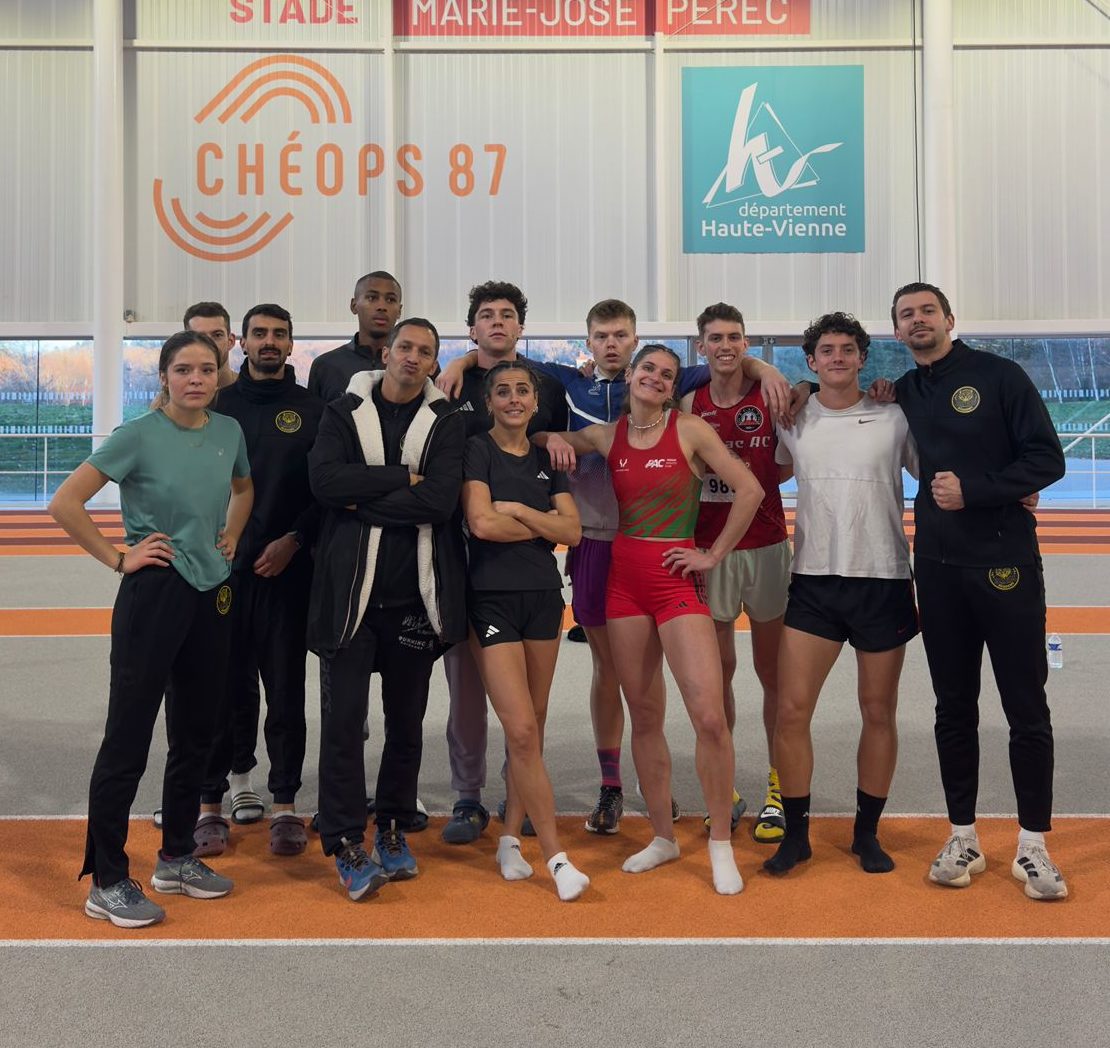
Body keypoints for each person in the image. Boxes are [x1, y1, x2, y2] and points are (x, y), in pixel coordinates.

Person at [441, 298, 791, 835]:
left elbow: (725, 359)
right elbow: (506, 366)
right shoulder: (563, 380)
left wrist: (768, 368)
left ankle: (670, 791)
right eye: (601, 336)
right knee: (610, 673)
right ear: (588, 342)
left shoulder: (668, 379)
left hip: (659, 548)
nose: (611, 344)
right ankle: (612, 786)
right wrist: (468, 367)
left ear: (635, 342)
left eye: (621, 336)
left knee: (676, 681)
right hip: (596, 545)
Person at [537, 344, 764, 895]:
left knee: (708, 716)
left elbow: (751, 488)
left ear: (672, 387)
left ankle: (719, 844)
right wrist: (554, 440)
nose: (657, 379)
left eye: (667, 374)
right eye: (648, 370)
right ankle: (663, 836)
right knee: (643, 714)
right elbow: (545, 437)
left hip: (675, 580)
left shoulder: (689, 431)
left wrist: (712, 555)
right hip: (624, 582)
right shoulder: (608, 435)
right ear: (632, 375)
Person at [49, 330, 253, 928]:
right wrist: (118, 558)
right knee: (128, 738)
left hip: (212, 593)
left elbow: (244, 488)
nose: (196, 379)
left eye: (207, 369)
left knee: (197, 734)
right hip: (155, 592)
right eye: (184, 369)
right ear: (163, 376)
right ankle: (107, 879)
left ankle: (177, 857)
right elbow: (65, 503)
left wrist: (232, 534)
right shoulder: (136, 434)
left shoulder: (229, 431)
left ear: (219, 376)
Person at [890, 282, 1068, 900]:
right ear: (897, 331)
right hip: (938, 568)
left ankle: (1033, 845)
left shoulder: (999, 376)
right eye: (907, 315)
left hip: (1005, 564)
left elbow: (1047, 460)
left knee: (1026, 706)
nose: (918, 320)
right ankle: (962, 835)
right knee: (952, 707)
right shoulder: (904, 390)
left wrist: (979, 490)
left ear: (948, 318)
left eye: (927, 311)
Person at [307, 318, 467, 901]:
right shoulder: (342, 411)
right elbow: (325, 483)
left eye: (425, 351)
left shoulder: (448, 420)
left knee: (405, 725)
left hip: (414, 601)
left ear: (433, 363)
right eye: (405, 347)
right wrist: (402, 478)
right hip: (351, 596)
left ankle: (394, 826)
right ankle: (346, 841)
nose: (413, 357)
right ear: (387, 352)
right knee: (343, 724)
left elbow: (441, 501)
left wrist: (363, 502)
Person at [763, 313, 918, 877]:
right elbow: (773, 472)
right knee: (790, 711)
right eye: (826, 350)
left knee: (877, 711)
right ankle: (797, 836)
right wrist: (798, 392)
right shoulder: (792, 419)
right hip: (814, 581)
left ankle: (866, 834)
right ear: (810, 361)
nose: (836, 357)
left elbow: (940, 466)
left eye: (847, 349)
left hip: (883, 579)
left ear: (861, 358)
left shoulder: (895, 416)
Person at [436, 281, 567, 846]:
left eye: (507, 315)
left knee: (529, 709)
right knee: (467, 689)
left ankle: (522, 796)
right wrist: (460, 363)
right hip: (464, 554)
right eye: (486, 315)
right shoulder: (450, 383)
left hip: (528, 567)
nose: (497, 322)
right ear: (472, 328)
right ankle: (467, 794)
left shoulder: (548, 385)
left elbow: (556, 450)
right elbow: (480, 517)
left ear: (520, 326)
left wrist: (529, 518)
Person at [194, 304, 324, 858]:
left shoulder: (314, 411)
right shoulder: (215, 406)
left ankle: (286, 805)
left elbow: (326, 492)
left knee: (286, 693)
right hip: (221, 574)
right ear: (240, 343)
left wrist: (294, 539)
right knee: (220, 692)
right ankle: (209, 804)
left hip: (287, 575)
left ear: (291, 345)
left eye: (279, 334)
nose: (269, 341)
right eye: (259, 333)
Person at [462, 360, 589, 901]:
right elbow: (481, 523)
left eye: (522, 391)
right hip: (490, 598)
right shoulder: (477, 450)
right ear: (489, 402)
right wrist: (541, 524)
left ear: (535, 403)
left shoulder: (546, 459)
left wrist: (517, 510)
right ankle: (557, 858)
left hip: (543, 599)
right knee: (519, 730)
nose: (514, 399)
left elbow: (574, 531)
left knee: (531, 727)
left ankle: (510, 839)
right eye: (503, 392)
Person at [679, 302, 792, 844]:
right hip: (709, 548)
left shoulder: (770, 395)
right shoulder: (688, 402)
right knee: (718, 673)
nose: (725, 346)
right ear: (701, 345)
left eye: (735, 337)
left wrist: (749, 481)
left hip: (766, 546)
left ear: (746, 344)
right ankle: (724, 789)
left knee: (773, 673)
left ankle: (778, 785)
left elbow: (784, 466)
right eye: (716, 338)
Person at [307, 271, 404, 401]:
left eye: (390, 300)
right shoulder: (326, 366)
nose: (382, 306)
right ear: (354, 306)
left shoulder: (412, 366)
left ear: (399, 311)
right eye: (372, 298)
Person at [150, 303, 237, 410]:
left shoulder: (248, 393)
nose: (209, 343)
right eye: (199, 337)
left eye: (217, 335)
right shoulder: (164, 403)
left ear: (230, 341)